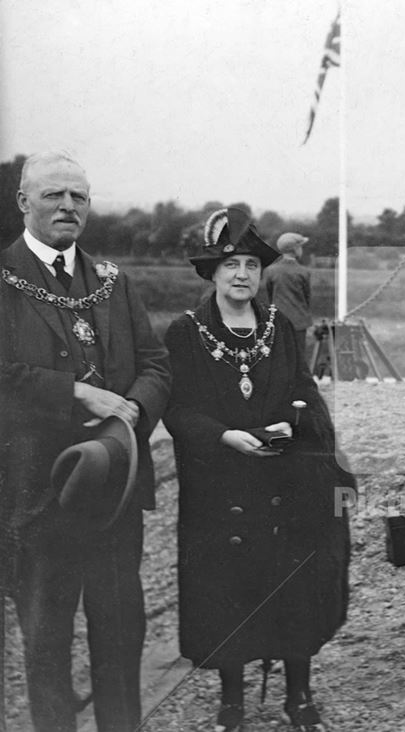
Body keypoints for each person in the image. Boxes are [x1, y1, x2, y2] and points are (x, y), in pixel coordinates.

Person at [163, 208, 353, 732]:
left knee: (291, 587)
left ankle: (299, 696)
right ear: (212, 273)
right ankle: (232, 703)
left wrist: (301, 426)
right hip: (219, 485)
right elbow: (176, 409)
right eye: (230, 265)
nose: (242, 273)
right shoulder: (186, 332)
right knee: (228, 592)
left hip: (282, 480)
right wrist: (221, 435)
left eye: (250, 264)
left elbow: (303, 389)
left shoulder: (279, 327)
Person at [0, 151, 171, 731]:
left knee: (121, 640)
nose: (68, 207)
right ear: (24, 202)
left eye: (79, 196)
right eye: (54, 195)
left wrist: (126, 417)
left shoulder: (113, 282)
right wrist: (77, 394)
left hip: (114, 497)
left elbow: (154, 363)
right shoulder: (3, 278)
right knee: (46, 651)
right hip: (36, 500)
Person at [260, 231, 313, 357]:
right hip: (299, 322)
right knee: (298, 356)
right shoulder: (303, 272)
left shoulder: (270, 271)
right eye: (300, 247)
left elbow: (268, 295)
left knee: (279, 355)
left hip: (277, 320)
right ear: (295, 249)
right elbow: (307, 298)